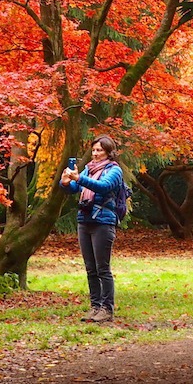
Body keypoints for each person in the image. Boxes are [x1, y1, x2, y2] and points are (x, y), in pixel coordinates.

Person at [61, 136, 124, 323]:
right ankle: (95, 307)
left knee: (102, 268)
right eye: (94, 150)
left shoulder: (114, 170)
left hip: (103, 222)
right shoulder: (89, 168)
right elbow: (74, 188)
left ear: (108, 152)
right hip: (84, 220)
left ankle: (107, 309)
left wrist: (79, 178)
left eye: (100, 150)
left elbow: (103, 187)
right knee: (90, 269)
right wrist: (65, 182)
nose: (95, 154)